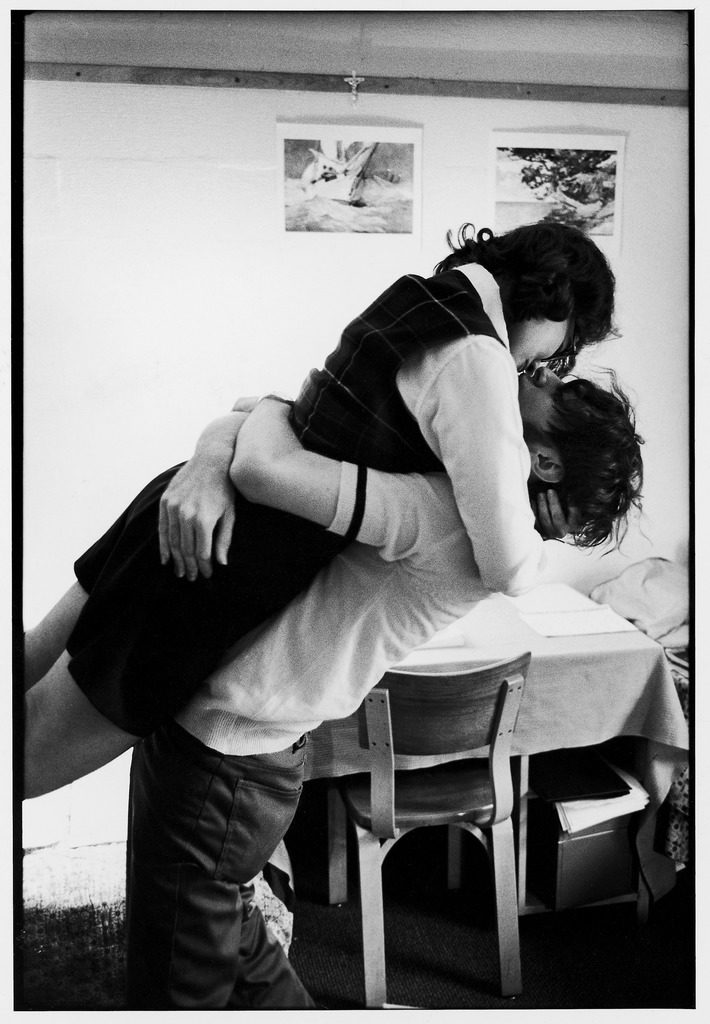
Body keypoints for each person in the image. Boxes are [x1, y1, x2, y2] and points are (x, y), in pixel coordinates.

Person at [24, 220, 617, 796]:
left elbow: (287, 408)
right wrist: (545, 533)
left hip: (180, 505)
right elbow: (508, 567)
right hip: (216, 558)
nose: (540, 367)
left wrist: (209, 453)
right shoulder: (479, 361)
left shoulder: (423, 300)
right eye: (558, 355)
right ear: (560, 307)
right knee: (27, 758)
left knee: (25, 665)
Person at [123, 373, 642, 1009]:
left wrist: (223, 447)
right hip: (255, 751)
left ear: (546, 458)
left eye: (549, 385)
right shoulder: (481, 530)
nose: (526, 373)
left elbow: (262, 452)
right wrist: (216, 450)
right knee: (229, 943)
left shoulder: (441, 512)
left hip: (223, 758)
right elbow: (258, 417)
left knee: (179, 983)